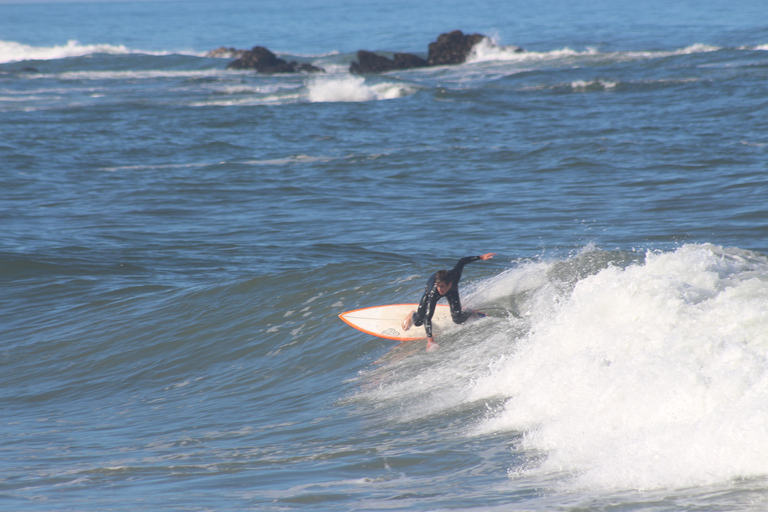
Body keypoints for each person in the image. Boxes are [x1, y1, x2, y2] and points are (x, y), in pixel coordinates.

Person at [402, 253, 496, 352]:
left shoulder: (455, 275)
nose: (439, 289)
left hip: (452, 291)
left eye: (442, 286)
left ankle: (470, 312)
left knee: (458, 319)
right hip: (429, 290)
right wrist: (430, 340)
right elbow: (428, 317)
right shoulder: (434, 292)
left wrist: (480, 257)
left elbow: (462, 261)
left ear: (449, 283)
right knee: (418, 322)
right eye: (438, 286)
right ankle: (413, 314)